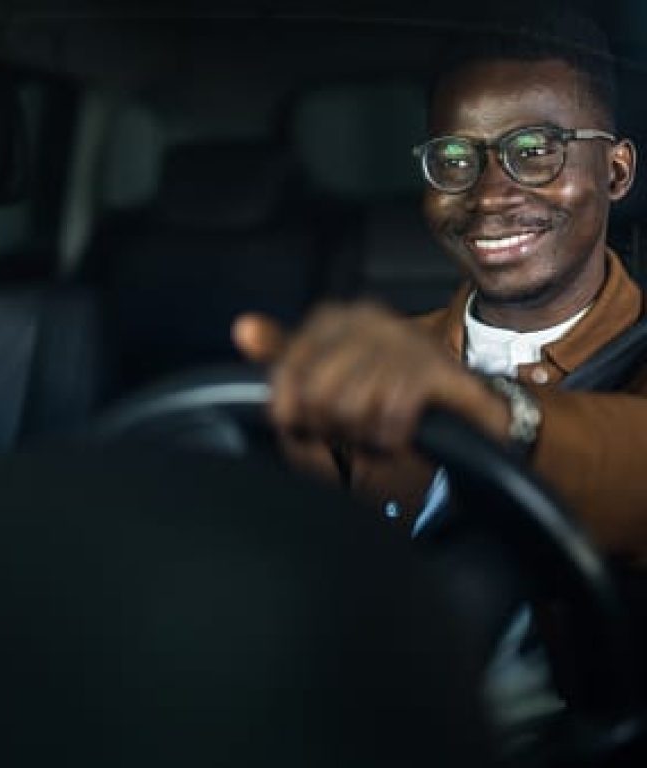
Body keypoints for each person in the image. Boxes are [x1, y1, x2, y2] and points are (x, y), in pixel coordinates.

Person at [232, 10, 647, 566]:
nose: (490, 195)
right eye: (454, 158)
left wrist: (491, 413)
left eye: (535, 151)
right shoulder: (380, 365)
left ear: (616, 173)